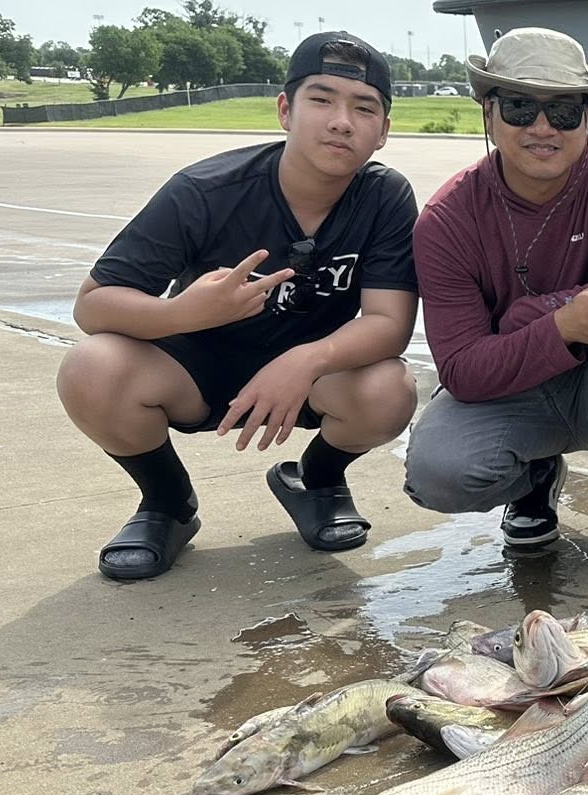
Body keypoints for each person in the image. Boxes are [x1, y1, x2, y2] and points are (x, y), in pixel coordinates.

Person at [58, 32, 419, 581]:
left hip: (310, 377)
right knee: (91, 367)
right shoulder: (204, 190)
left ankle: (316, 480)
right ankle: (166, 504)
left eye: (364, 108)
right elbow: (93, 305)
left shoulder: (384, 197)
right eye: (321, 100)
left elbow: (389, 325)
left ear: (383, 130)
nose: (342, 122)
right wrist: (185, 314)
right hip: (190, 370)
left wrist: (306, 360)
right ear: (285, 110)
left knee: (391, 388)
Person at [403, 28, 588, 585]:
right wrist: (564, 324)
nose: (542, 127)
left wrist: (533, 316)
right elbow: (461, 369)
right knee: (437, 472)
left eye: (564, 111)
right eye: (520, 107)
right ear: (488, 111)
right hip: (511, 392)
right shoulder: (446, 219)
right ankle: (533, 478)